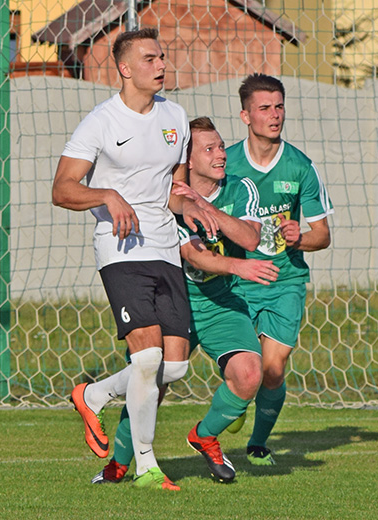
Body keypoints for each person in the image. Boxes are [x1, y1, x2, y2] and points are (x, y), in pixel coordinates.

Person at [52, 28, 216, 491]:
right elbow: (62, 189)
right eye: (150, 59)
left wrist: (191, 206)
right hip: (120, 248)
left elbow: (172, 190)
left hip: (165, 247)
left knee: (175, 366)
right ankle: (147, 467)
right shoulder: (101, 122)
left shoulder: (176, 116)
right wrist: (107, 195)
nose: (161, 65)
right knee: (146, 357)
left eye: (162, 57)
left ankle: (94, 393)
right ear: (124, 68)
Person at [91, 117, 280, 484]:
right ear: (187, 160)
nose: (221, 154)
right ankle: (119, 463)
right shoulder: (166, 196)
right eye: (210, 149)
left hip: (221, 302)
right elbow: (193, 255)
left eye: (221, 146)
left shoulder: (240, 187)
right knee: (151, 382)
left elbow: (250, 237)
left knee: (249, 374)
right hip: (174, 300)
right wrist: (236, 265)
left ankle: (204, 436)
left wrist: (207, 208)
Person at [228, 74, 333, 465]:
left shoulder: (300, 166)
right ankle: (237, 399)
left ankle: (257, 444)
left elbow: (322, 235)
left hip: (284, 280)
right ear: (246, 115)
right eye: (265, 108)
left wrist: (298, 238)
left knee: (272, 369)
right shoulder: (226, 163)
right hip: (237, 280)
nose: (274, 115)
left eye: (279, 106)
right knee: (245, 369)